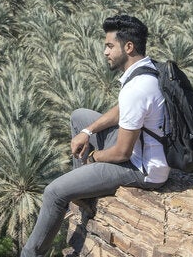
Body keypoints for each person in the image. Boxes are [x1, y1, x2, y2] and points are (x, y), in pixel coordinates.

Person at [21, 14, 168, 257]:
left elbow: (122, 153)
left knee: (54, 193)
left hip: (142, 169)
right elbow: (122, 111)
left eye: (110, 46)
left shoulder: (137, 88)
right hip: (141, 149)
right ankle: (86, 196)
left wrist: (94, 158)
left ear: (128, 47)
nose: (105, 52)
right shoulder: (147, 71)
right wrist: (87, 131)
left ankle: (30, 254)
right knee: (80, 117)